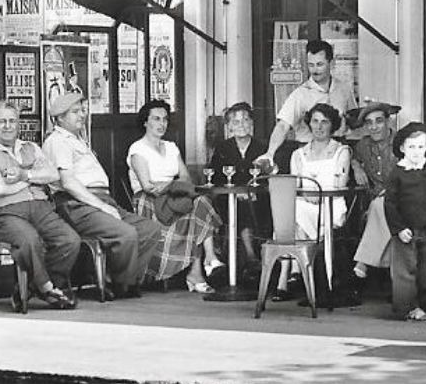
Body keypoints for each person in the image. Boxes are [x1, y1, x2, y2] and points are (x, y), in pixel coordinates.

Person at [42, 90, 162, 298]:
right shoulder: (58, 141)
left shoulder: (77, 139)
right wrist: (102, 206)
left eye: (82, 110)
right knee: (126, 234)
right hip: (78, 204)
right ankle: (120, 285)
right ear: (60, 118)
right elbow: (69, 183)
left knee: (150, 229)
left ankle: (119, 278)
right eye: (75, 112)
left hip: (100, 201)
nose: (82, 115)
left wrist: (105, 204)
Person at [0, 101, 79, 309]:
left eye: (12, 121)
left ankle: (32, 286)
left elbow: (53, 175)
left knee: (70, 240)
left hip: (40, 208)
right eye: (2, 121)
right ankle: (47, 288)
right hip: (4, 213)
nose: (8, 126)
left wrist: (22, 175)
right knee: (29, 240)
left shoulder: (31, 148)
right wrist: (31, 178)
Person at [127, 99, 225, 293]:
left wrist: (170, 185)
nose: (161, 124)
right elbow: (148, 186)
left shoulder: (171, 147)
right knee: (198, 210)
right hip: (150, 204)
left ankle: (207, 262)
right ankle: (205, 265)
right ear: (145, 122)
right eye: (156, 119)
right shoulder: (137, 149)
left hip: (174, 198)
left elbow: (186, 178)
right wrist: (171, 184)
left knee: (201, 203)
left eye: (164, 119)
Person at [383, 122, 426, 322]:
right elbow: (390, 204)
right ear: (402, 148)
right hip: (405, 229)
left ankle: (425, 308)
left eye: (421, 147)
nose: (416, 152)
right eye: (411, 147)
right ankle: (404, 308)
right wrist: (398, 228)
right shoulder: (397, 173)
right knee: (404, 270)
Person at [258, 40, 358, 170]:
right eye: (311, 65)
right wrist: (270, 153)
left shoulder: (343, 89)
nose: (315, 70)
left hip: (339, 152)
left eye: (319, 64)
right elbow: (283, 126)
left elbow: (353, 120)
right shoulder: (300, 94)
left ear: (331, 63)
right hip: (309, 154)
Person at [207, 101, 273, 272]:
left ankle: (260, 260)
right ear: (228, 127)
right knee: (240, 208)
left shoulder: (263, 148)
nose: (241, 125)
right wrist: (237, 193)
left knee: (255, 207)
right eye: (235, 122)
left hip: (259, 199)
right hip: (229, 199)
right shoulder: (222, 148)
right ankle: (252, 257)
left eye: (245, 120)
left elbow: (269, 177)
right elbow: (216, 178)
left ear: (252, 123)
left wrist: (253, 192)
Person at [346, 99, 401, 279]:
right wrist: (356, 167)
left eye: (379, 121)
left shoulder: (401, 142)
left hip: (403, 202)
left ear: (388, 122)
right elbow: (351, 155)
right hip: (375, 206)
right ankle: (394, 277)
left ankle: (363, 261)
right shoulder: (364, 145)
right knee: (378, 206)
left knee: (380, 205)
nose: (374, 127)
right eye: (369, 123)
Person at [288, 102, 353, 243]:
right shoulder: (298, 154)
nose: (319, 126)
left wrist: (318, 195)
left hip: (330, 206)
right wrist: (306, 195)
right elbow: (296, 187)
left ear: (332, 125)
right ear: (309, 124)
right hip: (305, 204)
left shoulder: (342, 151)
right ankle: (300, 262)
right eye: (315, 121)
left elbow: (340, 185)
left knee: (296, 220)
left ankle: (298, 262)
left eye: (325, 122)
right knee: (292, 211)